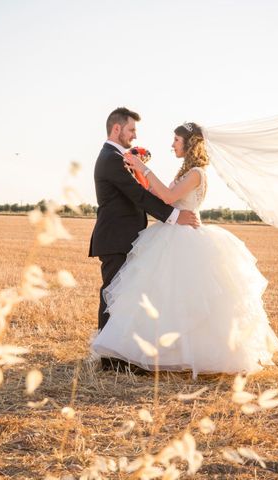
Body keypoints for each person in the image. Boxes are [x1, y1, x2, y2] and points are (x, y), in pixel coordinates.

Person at [91, 122, 278, 378]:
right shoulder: (186, 171)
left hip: (185, 238)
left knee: (187, 299)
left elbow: (170, 198)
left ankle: (186, 353)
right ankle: (145, 352)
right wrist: (139, 173)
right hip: (170, 235)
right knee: (161, 297)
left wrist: (143, 168)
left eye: (176, 140)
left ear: (189, 144)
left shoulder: (197, 172)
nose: (172, 145)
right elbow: (160, 194)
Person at [88, 108, 199, 371]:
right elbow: (138, 196)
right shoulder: (111, 158)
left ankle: (119, 352)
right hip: (115, 237)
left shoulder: (118, 157)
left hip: (125, 236)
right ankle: (110, 359)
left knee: (122, 295)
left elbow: (142, 192)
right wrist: (174, 216)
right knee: (112, 295)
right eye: (131, 130)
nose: (134, 136)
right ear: (116, 129)